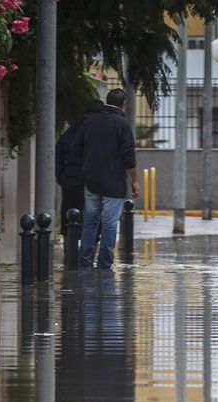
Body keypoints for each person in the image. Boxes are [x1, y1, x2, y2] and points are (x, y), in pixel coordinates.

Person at [76, 88, 140, 269]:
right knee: (110, 223)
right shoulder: (122, 124)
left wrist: (85, 169)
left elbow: (77, 148)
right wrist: (135, 181)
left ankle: (85, 260)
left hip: (91, 181)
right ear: (124, 104)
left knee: (90, 221)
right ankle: (104, 263)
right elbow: (129, 155)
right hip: (113, 182)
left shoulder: (90, 122)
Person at [54, 106, 91, 224]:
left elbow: (58, 154)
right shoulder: (94, 133)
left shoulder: (70, 132)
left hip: (69, 178)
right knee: (89, 215)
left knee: (68, 211)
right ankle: (91, 241)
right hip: (88, 181)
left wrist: (61, 176)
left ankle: (67, 239)